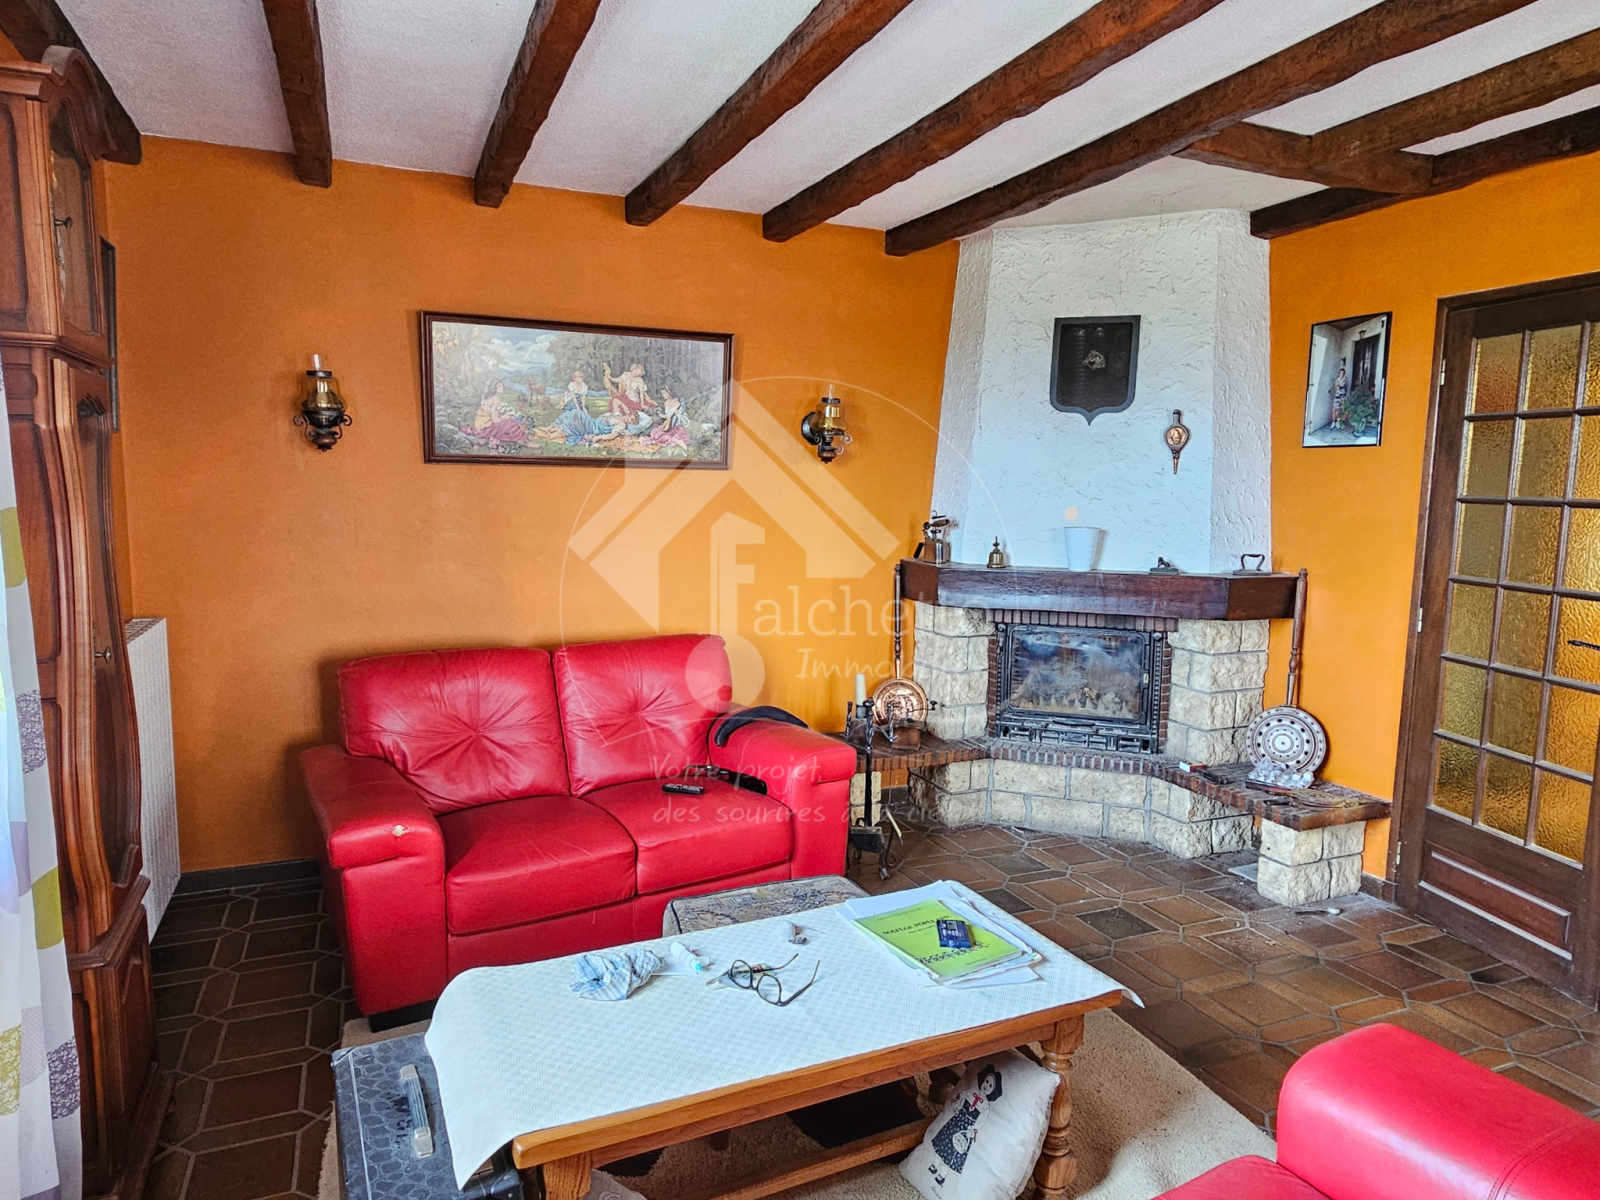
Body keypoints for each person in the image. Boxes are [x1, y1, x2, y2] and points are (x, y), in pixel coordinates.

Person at [929, 1064, 1003, 1175]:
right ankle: (934, 1165)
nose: (986, 1085)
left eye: (990, 1085)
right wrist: (957, 1104)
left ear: (993, 1090)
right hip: (956, 1120)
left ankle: (942, 1175)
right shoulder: (972, 1091)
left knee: (953, 1151)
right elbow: (962, 1096)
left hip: (966, 1128)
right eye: (986, 1081)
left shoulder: (985, 1106)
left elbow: (981, 1120)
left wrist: (972, 1130)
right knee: (943, 1144)